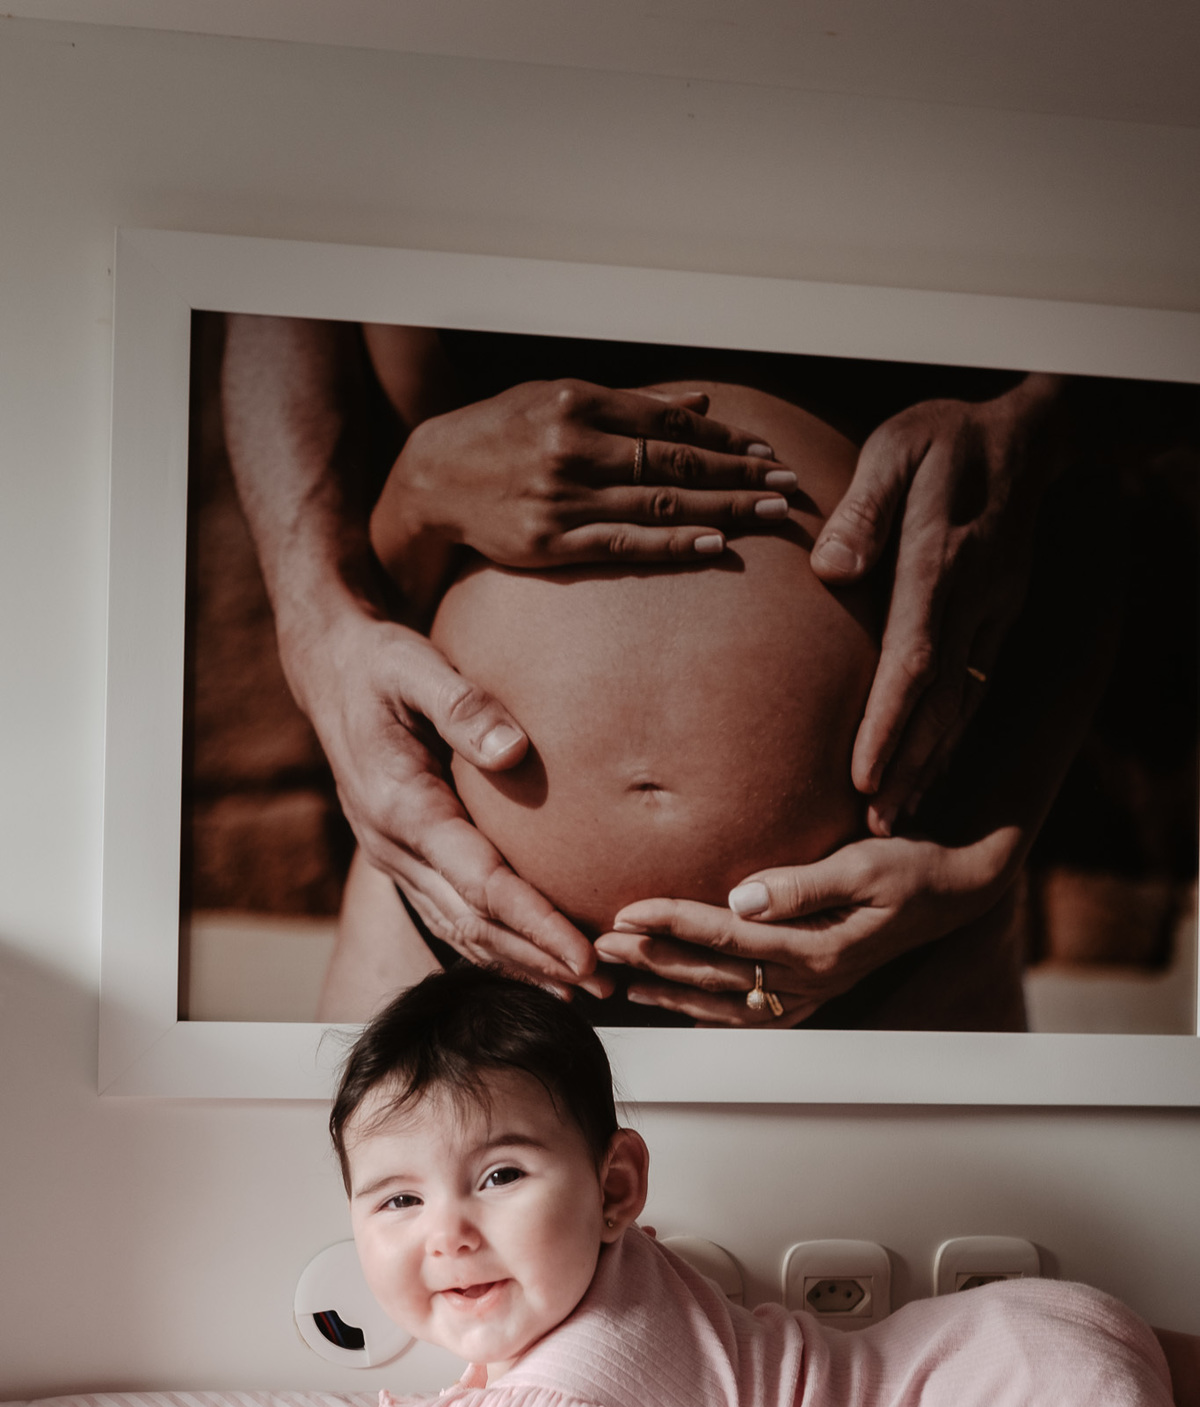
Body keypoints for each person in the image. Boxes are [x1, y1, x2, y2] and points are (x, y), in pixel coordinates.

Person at [223, 318, 1081, 1028]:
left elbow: (1111, 451)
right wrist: (323, 627)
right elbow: (272, 280)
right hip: (453, 909)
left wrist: (1046, 418)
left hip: (898, 921)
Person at [233, 968, 1200, 1407]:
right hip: (1008, 1337)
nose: (448, 1233)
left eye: (499, 1177)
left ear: (614, 1189)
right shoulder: (620, 1267)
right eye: (399, 1200)